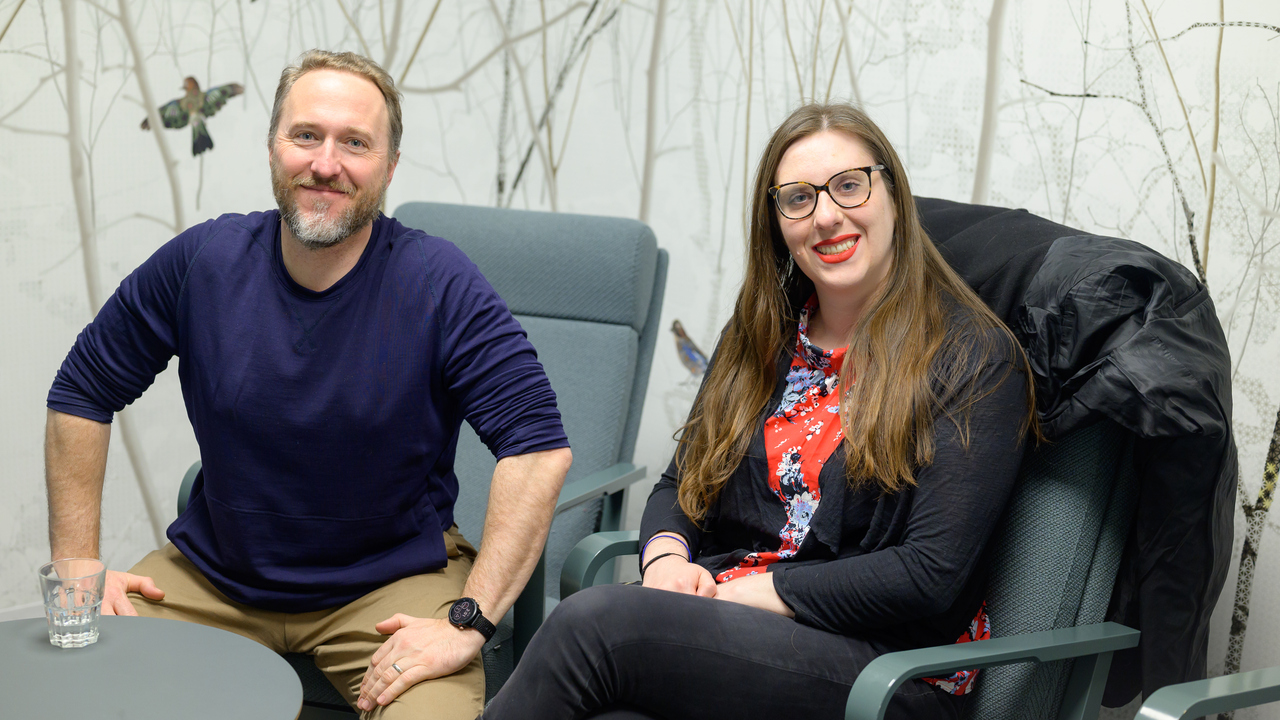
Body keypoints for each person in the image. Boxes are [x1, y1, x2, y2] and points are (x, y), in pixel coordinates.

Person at [44, 49, 572, 720]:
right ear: (273, 147)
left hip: (389, 589)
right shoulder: (204, 263)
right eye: (306, 136)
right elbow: (82, 390)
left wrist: (469, 620)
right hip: (213, 582)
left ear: (388, 166)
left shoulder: (440, 284)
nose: (326, 164)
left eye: (355, 142)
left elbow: (538, 446)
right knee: (74, 693)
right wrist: (78, 567)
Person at [481, 103, 1037, 720]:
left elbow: (929, 575)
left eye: (849, 185)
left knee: (594, 624)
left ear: (893, 197)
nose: (826, 216)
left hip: (887, 672)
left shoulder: (974, 358)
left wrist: (755, 592)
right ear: (775, 222)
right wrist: (665, 557)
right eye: (797, 199)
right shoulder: (761, 336)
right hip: (737, 634)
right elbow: (680, 485)